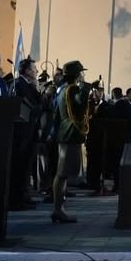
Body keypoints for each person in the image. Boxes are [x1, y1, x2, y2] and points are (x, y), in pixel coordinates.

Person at [52, 60, 93, 224]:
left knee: (62, 174)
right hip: (70, 134)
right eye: (81, 72)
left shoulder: (62, 89)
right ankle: (58, 209)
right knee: (62, 174)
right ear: (77, 75)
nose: (83, 75)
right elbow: (80, 109)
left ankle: (59, 208)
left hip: (64, 133)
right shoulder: (73, 89)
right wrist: (86, 89)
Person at [11, 56, 44, 209]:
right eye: (34, 69)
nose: (36, 71)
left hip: (30, 131)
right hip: (21, 133)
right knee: (20, 166)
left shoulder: (29, 85)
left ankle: (24, 195)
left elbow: (41, 104)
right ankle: (17, 198)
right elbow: (28, 106)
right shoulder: (19, 84)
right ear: (27, 71)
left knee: (26, 166)